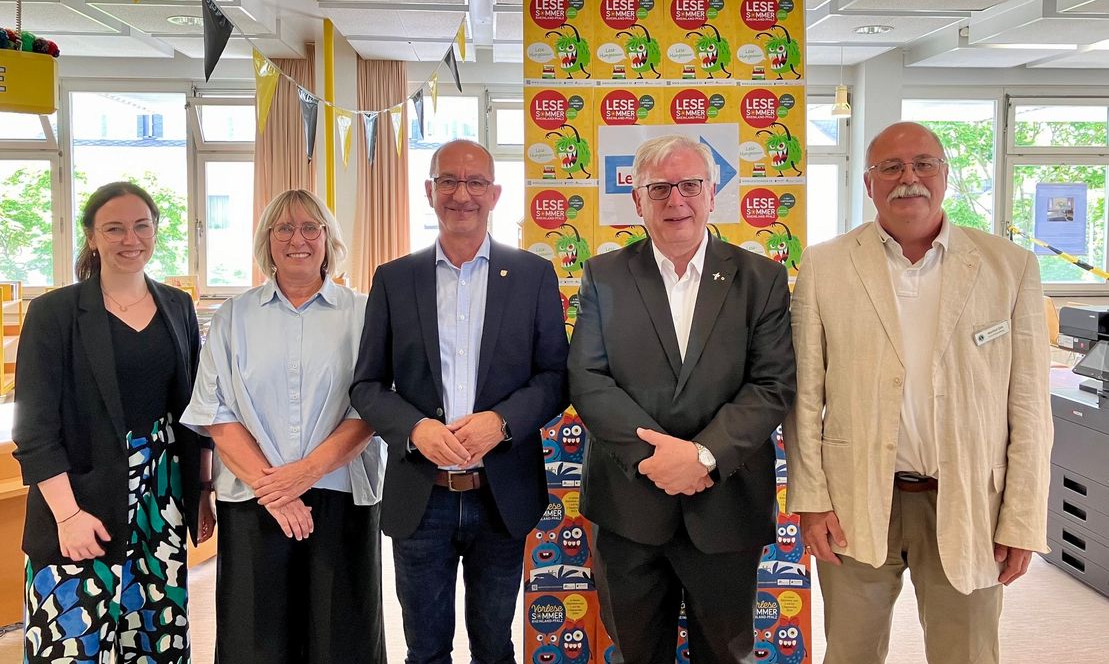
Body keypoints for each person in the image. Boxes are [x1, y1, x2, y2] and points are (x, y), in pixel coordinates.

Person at [784, 121, 1053, 664]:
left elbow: (1028, 407)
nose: (910, 178)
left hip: (971, 503)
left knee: (968, 655)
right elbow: (805, 397)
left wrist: (1022, 517)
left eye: (924, 163)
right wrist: (810, 502)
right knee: (851, 653)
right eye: (892, 167)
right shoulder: (825, 265)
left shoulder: (1010, 267)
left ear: (946, 175)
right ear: (868, 183)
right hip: (856, 501)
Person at [568, 134, 796, 664]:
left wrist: (701, 457)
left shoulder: (760, 279)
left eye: (690, 185)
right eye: (660, 188)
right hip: (629, 510)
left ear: (712, 193)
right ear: (637, 200)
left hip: (726, 508)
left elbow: (772, 385)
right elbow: (588, 379)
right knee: (636, 653)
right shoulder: (605, 276)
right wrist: (658, 459)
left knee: (725, 654)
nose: (677, 201)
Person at [350, 139, 568, 664]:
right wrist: (415, 429)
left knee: (494, 646)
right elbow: (367, 386)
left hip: (501, 496)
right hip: (421, 498)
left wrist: (502, 423)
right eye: (448, 181)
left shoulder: (533, 276)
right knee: (425, 650)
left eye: (475, 183)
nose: (461, 194)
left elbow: (557, 376)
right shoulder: (394, 279)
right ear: (429, 191)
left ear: (494, 194)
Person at [180, 189, 386, 664]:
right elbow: (216, 412)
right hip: (253, 499)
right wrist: (277, 488)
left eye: (311, 227)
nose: (299, 239)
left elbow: (372, 408)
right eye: (284, 228)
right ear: (266, 241)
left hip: (341, 494)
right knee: (255, 639)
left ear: (328, 239)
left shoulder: (364, 312)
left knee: (342, 638)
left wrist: (304, 475)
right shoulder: (234, 316)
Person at [13, 181, 214, 663]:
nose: (131, 239)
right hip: (79, 500)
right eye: (115, 228)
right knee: (71, 644)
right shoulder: (53, 312)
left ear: (156, 230)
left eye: (142, 226)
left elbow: (196, 410)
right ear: (91, 237)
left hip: (160, 500)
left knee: (154, 637)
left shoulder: (177, 305)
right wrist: (66, 515)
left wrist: (202, 490)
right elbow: (34, 428)